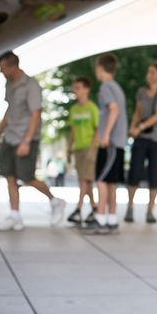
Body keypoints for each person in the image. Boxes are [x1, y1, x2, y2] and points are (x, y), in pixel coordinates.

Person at [0, 51, 66, 231]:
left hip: (25, 138)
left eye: (2, 68)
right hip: (9, 137)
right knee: (9, 176)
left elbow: (36, 114)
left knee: (27, 177)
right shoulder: (9, 84)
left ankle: (55, 201)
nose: (1, 71)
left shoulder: (31, 85)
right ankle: (15, 217)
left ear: (13, 66)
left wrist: (27, 141)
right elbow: (10, 110)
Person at [81, 52, 127, 234]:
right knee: (111, 182)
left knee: (101, 179)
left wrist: (105, 135)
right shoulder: (117, 87)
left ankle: (100, 219)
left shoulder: (106, 87)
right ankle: (111, 219)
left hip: (111, 143)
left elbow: (113, 110)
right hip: (119, 143)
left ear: (100, 69)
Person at [125, 63, 157, 224]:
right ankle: (129, 207)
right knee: (134, 173)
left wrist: (140, 127)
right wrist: (132, 127)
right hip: (141, 139)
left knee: (154, 175)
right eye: (148, 71)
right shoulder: (141, 92)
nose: (148, 75)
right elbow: (138, 112)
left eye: (152, 72)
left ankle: (150, 211)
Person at [66, 76, 99, 224]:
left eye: (78, 87)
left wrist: (92, 145)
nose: (75, 91)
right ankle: (94, 207)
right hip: (78, 148)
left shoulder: (92, 108)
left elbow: (98, 128)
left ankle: (78, 209)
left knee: (83, 180)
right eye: (74, 87)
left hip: (89, 148)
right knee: (86, 180)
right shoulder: (74, 109)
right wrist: (69, 148)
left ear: (87, 89)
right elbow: (72, 129)